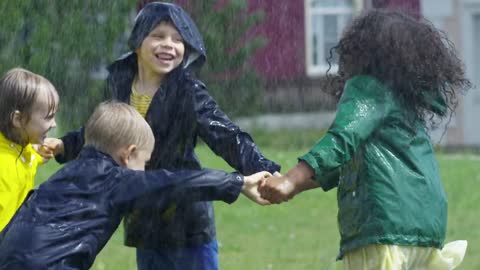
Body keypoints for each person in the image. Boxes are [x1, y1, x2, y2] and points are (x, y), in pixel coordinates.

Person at [43, 2, 280, 269]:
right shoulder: (121, 84)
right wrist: (64, 145)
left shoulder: (188, 91)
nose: (168, 44)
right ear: (137, 42)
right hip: (143, 217)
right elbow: (102, 133)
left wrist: (265, 170)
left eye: (178, 39)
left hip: (186, 219)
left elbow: (226, 135)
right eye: (158, 36)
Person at [258, 9, 470, 270]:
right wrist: (295, 187)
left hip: (383, 224)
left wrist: (290, 179)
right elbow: (352, 161)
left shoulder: (368, 88)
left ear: (360, 51)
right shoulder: (405, 103)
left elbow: (342, 139)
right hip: (427, 229)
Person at [0, 101, 272, 270]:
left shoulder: (67, 173)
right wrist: (238, 182)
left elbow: (26, 211)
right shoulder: (116, 180)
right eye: (145, 161)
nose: (145, 170)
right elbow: (177, 183)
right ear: (128, 155)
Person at [0, 67, 59, 232]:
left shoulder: (19, 147)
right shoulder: (6, 169)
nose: (54, 124)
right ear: (18, 119)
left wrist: (38, 153)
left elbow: (27, 158)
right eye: (48, 117)